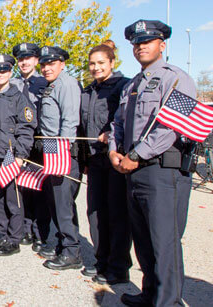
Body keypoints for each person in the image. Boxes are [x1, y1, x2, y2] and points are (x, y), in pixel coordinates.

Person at [109, 20, 196, 307]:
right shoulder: (133, 85)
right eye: (136, 42)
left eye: (148, 41)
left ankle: (168, 302)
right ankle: (150, 295)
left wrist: (136, 155)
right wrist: (114, 151)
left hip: (163, 172)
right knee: (143, 241)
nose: (141, 46)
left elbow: (170, 128)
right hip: (134, 173)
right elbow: (118, 125)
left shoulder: (176, 79)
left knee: (164, 244)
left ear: (162, 44)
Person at [78, 41, 132, 284]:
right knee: (95, 213)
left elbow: (126, 121)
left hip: (115, 160)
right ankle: (101, 261)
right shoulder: (89, 91)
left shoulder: (124, 86)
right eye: (92, 63)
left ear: (112, 63)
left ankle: (118, 267)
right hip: (95, 159)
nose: (96, 67)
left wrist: (112, 136)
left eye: (101, 63)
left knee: (116, 214)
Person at [35, 46, 82, 270]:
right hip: (51, 149)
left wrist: (61, 151)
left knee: (64, 205)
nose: (46, 68)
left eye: (51, 64)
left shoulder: (67, 84)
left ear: (62, 64)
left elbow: (70, 121)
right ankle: (64, 245)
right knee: (55, 203)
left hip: (62, 151)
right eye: (43, 64)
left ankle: (72, 252)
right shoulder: (51, 86)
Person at [0, 54, 36, 256]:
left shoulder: (19, 98)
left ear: (10, 72)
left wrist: (20, 155)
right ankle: (4, 235)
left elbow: (27, 128)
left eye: (4, 70)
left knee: (12, 199)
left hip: (10, 156)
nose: (0, 74)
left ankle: (15, 239)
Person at [11, 42, 50, 252]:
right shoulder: (13, 84)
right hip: (19, 141)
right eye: (21, 59)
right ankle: (25, 227)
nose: (24, 62)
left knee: (41, 189)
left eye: (28, 58)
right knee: (23, 187)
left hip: (39, 143)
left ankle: (40, 232)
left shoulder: (45, 82)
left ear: (36, 60)